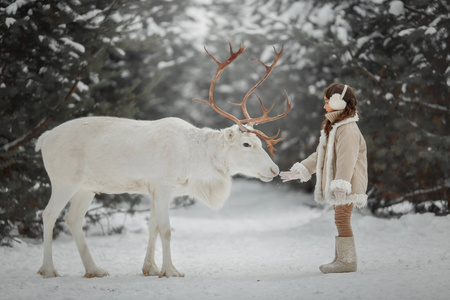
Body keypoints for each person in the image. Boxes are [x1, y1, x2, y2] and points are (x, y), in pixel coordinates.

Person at [280, 82, 368, 273]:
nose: (324, 106)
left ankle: (347, 261)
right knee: (340, 218)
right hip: (343, 183)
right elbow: (321, 156)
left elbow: (347, 159)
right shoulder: (335, 127)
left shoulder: (348, 130)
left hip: (348, 183)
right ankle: (342, 258)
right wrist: (301, 169)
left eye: (327, 101)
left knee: (342, 218)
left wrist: (341, 184)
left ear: (339, 102)